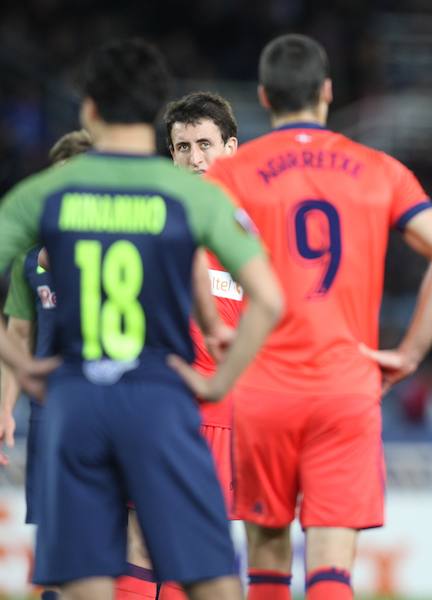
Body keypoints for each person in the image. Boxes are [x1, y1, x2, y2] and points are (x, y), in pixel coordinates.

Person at [0, 38, 283, 600]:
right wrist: (222, 382)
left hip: (77, 400)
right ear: (156, 114)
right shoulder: (191, 198)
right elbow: (271, 301)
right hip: (161, 395)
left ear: (89, 110)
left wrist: (22, 368)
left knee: (95, 568)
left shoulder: (47, 191)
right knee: (205, 566)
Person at [197, 34, 432, 600]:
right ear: (326, 91)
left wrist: (217, 328)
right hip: (346, 387)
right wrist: (410, 353)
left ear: (264, 96)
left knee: (267, 562)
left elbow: (188, 251)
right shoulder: (379, 168)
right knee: (331, 568)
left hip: (263, 389)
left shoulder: (231, 172)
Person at [137, 91, 243, 600]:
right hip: (152, 405)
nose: (195, 158)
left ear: (231, 148)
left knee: (191, 551)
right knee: (136, 541)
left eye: (205, 144)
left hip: (219, 415)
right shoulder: (148, 220)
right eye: (183, 147)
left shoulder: (255, 229)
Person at [0, 129, 92, 600]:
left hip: (109, 408)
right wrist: (4, 409)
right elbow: (18, 335)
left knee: (115, 537)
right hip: (49, 412)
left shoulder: (128, 245)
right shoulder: (30, 258)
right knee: (54, 543)